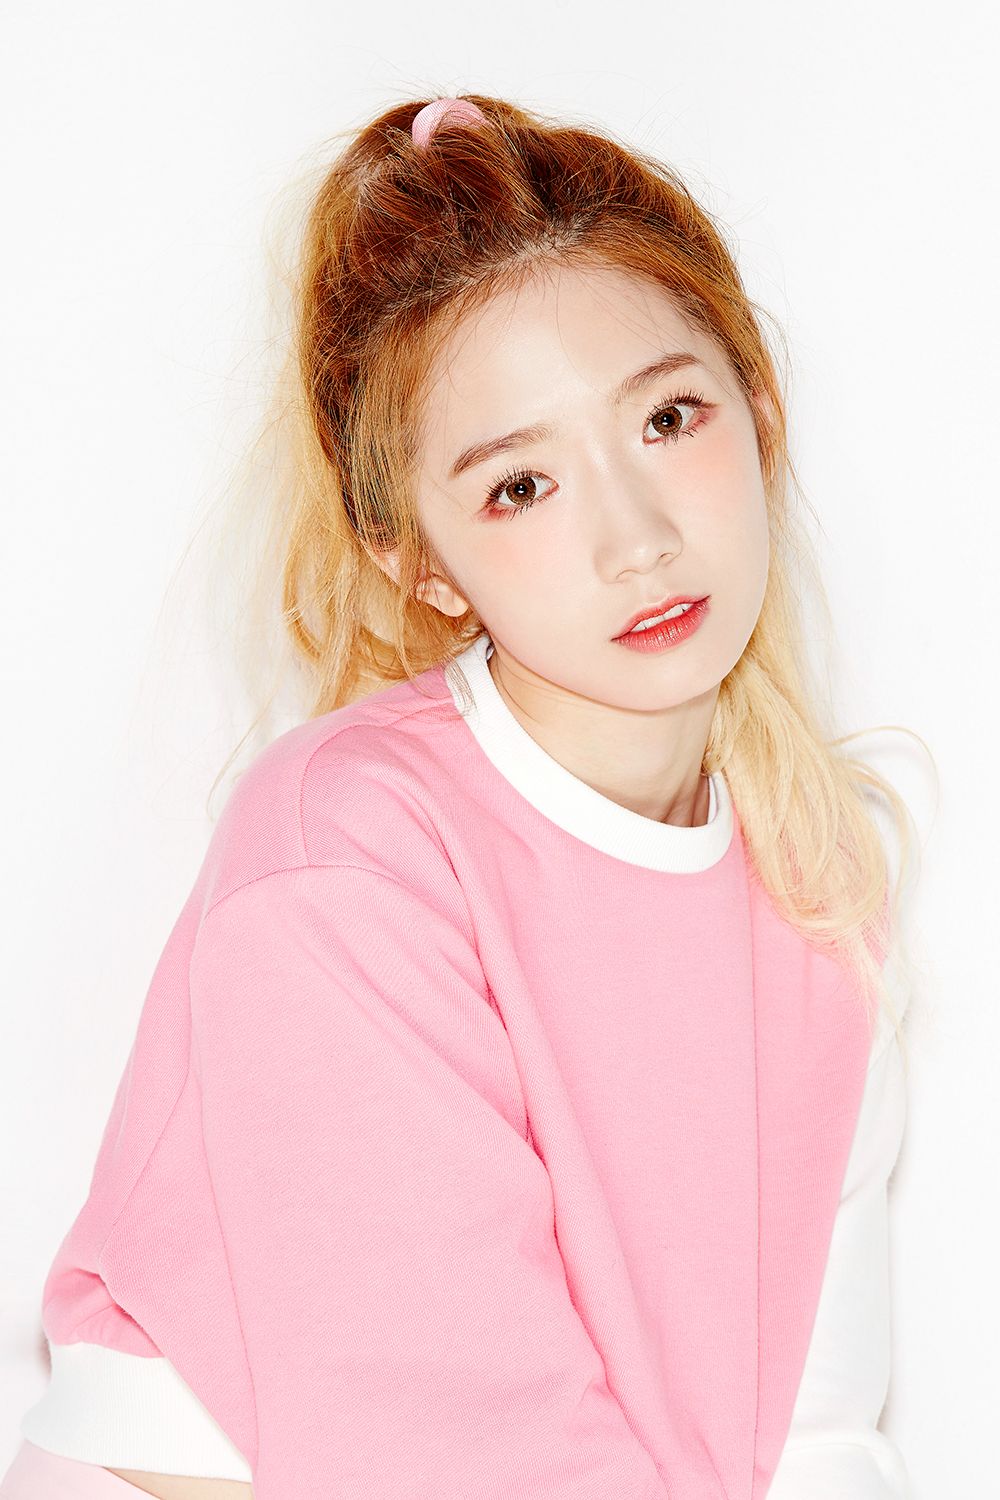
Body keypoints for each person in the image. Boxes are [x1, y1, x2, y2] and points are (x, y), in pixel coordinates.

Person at [1, 93, 928, 1500]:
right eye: (520, 488)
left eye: (667, 417)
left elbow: (814, 1431)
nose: (635, 538)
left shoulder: (818, 879)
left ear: (762, 413)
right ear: (418, 561)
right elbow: (467, 1446)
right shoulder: (350, 851)